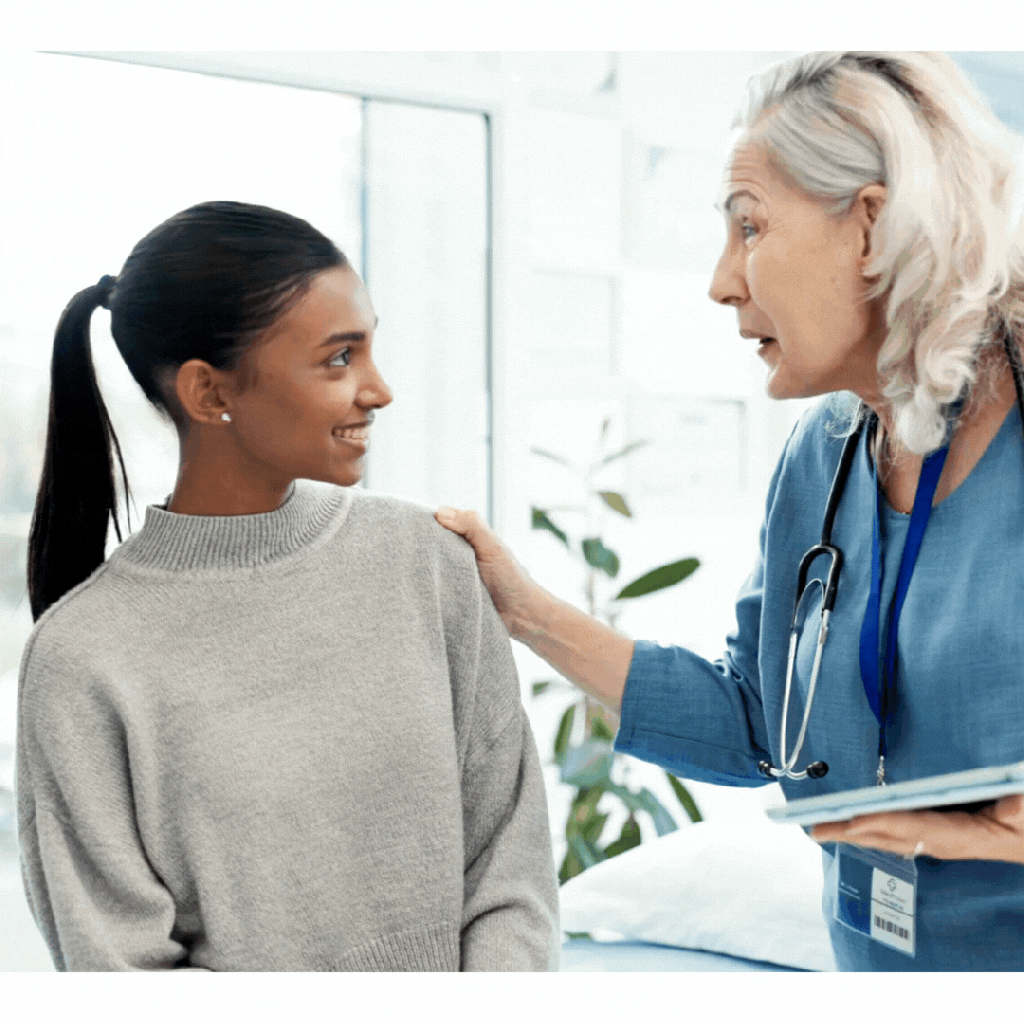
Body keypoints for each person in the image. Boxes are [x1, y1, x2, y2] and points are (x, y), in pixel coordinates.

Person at [435, 52, 1024, 972]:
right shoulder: (823, 452)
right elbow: (760, 726)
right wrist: (522, 611)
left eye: (751, 228)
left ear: (870, 225)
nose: (721, 281)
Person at [17, 201, 559, 971]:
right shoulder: (82, 660)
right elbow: (120, 974)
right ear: (210, 394)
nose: (379, 389)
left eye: (370, 348)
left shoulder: (429, 563)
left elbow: (512, 871)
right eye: (339, 359)